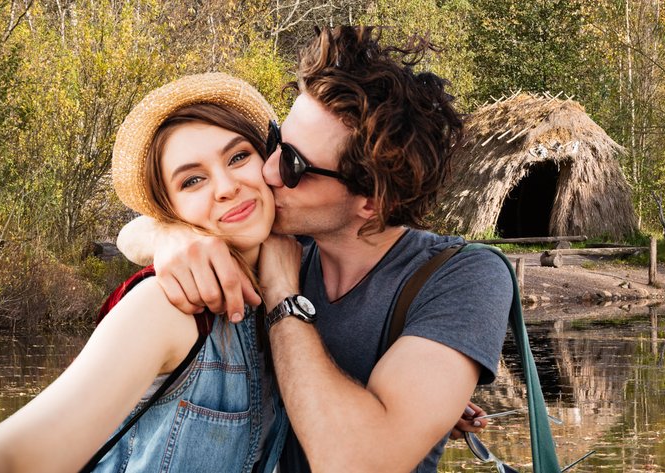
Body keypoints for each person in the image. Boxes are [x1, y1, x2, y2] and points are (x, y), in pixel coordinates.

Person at [118, 26, 513, 473]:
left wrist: (284, 298)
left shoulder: (463, 276)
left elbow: (355, 463)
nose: (266, 171)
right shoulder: (277, 233)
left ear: (372, 201)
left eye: (294, 164)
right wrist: (175, 237)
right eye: (274, 141)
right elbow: (133, 234)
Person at [0, 73, 288, 473]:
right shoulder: (165, 306)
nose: (225, 186)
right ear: (170, 211)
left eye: (238, 156)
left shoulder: (296, 284)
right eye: (192, 180)